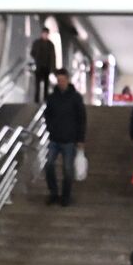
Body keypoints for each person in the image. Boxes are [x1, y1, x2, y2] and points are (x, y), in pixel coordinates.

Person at [43, 69, 86, 207]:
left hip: (69, 140)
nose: (61, 83)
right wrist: (50, 127)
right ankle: (53, 193)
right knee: (49, 165)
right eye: (59, 80)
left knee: (68, 170)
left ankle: (65, 196)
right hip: (54, 139)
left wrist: (80, 139)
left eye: (63, 80)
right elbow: (47, 114)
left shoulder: (75, 98)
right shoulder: (52, 97)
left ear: (67, 80)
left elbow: (81, 119)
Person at [29, 27, 57, 104]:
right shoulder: (37, 43)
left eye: (46, 34)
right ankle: (36, 100)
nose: (45, 35)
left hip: (46, 67)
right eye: (44, 33)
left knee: (46, 85)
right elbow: (32, 53)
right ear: (42, 34)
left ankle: (45, 100)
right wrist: (36, 58)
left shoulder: (50, 45)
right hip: (39, 66)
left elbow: (53, 57)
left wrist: (53, 68)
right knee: (37, 84)